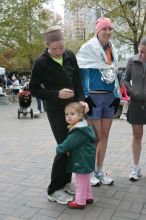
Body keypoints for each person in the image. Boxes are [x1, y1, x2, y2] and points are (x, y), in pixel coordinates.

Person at [29, 26, 88, 204]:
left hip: (74, 109)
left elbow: (78, 81)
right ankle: (53, 189)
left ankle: (65, 183)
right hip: (55, 110)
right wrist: (56, 94)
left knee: (74, 146)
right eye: (54, 48)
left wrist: (81, 100)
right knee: (64, 147)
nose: (58, 51)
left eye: (61, 47)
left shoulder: (70, 55)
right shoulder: (40, 62)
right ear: (47, 46)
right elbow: (34, 89)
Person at [76, 17, 119, 186]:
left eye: (110, 29)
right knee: (95, 137)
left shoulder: (112, 49)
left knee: (105, 135)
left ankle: (99, 170)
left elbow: (113, 74)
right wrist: (85, 97)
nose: (108, 32)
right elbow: (82, 74)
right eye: (104, 29)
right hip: (93, 97)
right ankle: (90, 171)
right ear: (97, 31)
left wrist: (116, 96)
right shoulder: (88, 48)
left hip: (109, 97)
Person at [56, 102, 96, 209]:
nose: (69, 116)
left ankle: (80, 202)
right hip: (86, 158)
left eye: (72, 114)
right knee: (85, 179)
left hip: (81, 159)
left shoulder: (78, 131)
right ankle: (88, 197)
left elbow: (67, 144)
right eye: (66, 114)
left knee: (80, 181)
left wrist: (59, 148)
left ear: (80, 115)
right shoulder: (84, 127)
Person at [124, 36, 146, 181]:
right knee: (137, 136)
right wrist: (132, 91)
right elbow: (125, 79)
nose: (143, 55)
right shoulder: (132, 60)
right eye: (141, 51)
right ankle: (135, 168)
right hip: (136, 103)